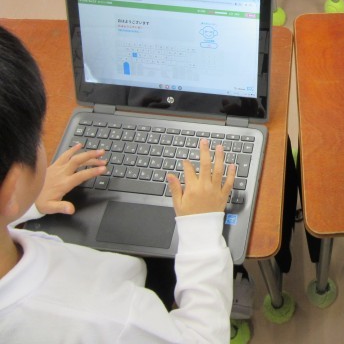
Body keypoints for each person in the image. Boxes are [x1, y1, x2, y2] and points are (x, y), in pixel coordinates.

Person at [0, 25, 236, 343]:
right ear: (11, 186)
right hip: (130, 292)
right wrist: (201, 227)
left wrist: (26, 204)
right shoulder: (107, 317)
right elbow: (202, 338)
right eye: (37, 136)